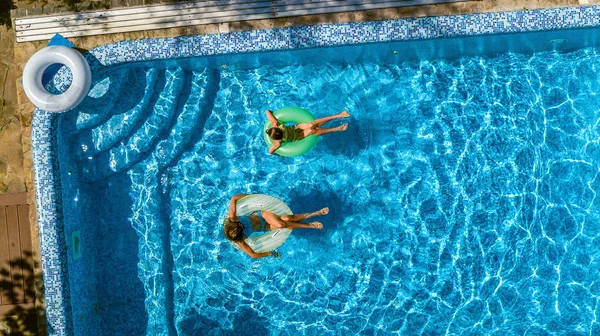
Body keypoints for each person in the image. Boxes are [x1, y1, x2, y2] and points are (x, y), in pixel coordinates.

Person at [224, 194, 328, 258]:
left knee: (281, 224)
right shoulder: (239, 240)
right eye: (243, 230)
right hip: (265, 227)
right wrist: (270, 254)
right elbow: (253, 255)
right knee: (287, 219)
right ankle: (314, 215)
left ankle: (310, 223)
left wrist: (254, 197)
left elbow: (234, 198)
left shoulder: (232, 218)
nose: (243, 226)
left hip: (262, 215)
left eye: (241, 225)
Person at [265, 110, 350, 154]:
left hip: (295, 128)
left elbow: (267, 111)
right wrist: (279, 154)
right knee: (311, 130)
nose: (283, 132)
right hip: (297, 137)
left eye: (282, 131)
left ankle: (338, 115)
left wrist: (271, 112)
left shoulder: (275, 124)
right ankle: (336, 129)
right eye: (282, 134)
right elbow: (270, 152)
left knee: (311, 124)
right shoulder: (277, 143)